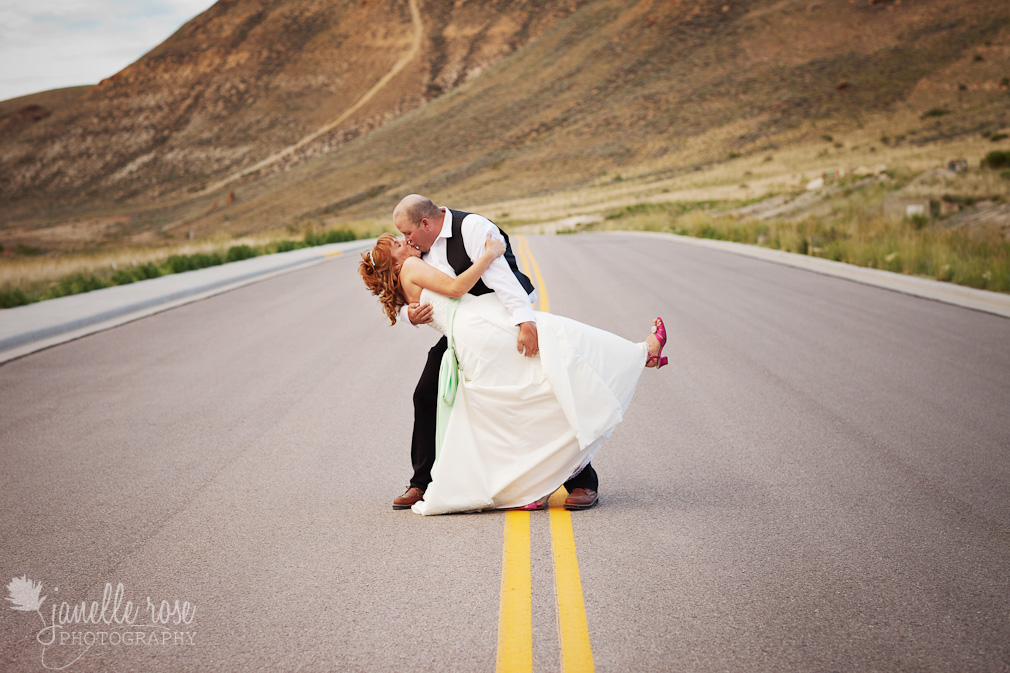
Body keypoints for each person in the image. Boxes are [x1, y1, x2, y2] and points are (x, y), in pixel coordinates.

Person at [358, 232, 669, 516]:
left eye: (404, 234)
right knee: (555, 343)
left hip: (473, 329)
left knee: (519, 393)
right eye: (398, 243)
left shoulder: (459, 232)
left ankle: (546, 483)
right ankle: (639, 354)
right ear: (394, 262)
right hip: (476, 325)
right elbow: (453, 288)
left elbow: (424, 297)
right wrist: (489, 253)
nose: (405, 239)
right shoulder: (412, 264)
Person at [389, 195, 603, 511]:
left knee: (531, 391)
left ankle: (581, 480)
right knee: (426, 395)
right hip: (462, 331)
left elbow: (502, 279)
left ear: (425, 223)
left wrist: (525, 322)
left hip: (501, 319)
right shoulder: (419, 249)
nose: (406, 240)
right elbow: (409, 289)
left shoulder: (472, 228)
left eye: (408, 233)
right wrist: (408, 314)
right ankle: (422, 482)